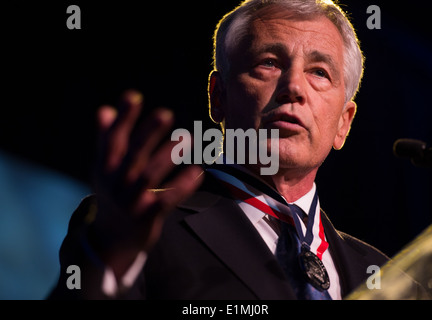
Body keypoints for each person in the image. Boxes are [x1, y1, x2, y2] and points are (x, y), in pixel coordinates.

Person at [49, 0, 390, 300]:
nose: (294, 87)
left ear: (344, 123)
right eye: (269, 62)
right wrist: (109, 259)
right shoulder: (136, 229)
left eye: (319, 72)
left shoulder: (388, 276)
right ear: (219, 96)